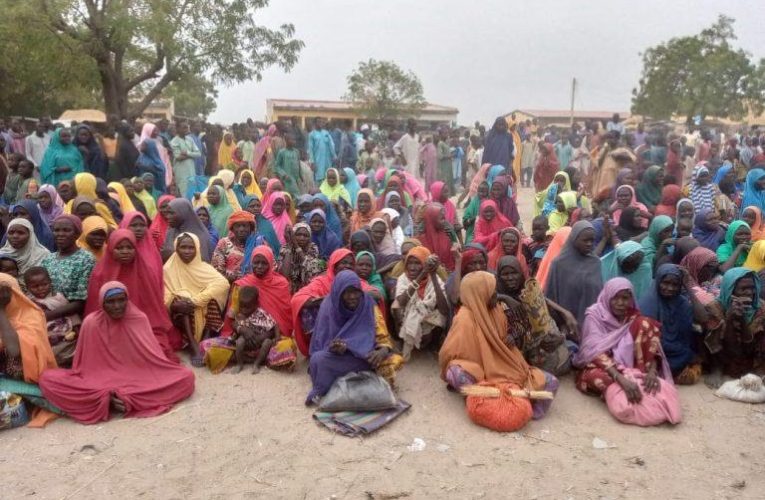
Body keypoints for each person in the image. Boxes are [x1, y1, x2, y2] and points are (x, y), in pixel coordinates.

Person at [39, 281, 194, 425]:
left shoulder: (138, 319)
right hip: (98, 382)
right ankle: (108, 399)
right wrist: (104, 393)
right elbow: (84, 367)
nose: (117, 306)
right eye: (110, 302)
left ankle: (121, 399)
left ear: (127, 300)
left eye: (121, 300)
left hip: (140, 380)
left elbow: (153, 359)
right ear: (102, 303)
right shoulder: (91, 322)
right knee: (47, 379)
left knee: (186, 378)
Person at [439, 271, 557, 420]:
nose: (496, 294)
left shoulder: (497, 310)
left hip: (505, 365)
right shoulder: (463, 319)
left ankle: (525, 410)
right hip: (479, 372)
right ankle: (486, 400)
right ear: (480, 294)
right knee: (455, 373)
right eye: (492, 291)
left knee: (551, 382)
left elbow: (515, 330)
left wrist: (512, 337)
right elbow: (448, 355)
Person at [573, 278, 680, 425]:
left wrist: (652, 371)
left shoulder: (633, 316)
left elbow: (650, 345)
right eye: (615, 298)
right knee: (600, 378)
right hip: (601, 365)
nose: (620, 303)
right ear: (607, 296)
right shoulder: (595, 315)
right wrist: (621, 379)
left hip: (632, 365)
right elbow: (593, 351)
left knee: (645, 324)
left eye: (625, 298)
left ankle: (639, 379)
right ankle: (627, 388)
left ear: (631, 298)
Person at [306, 270, 403, 405]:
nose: (352, 296)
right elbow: (320, 343)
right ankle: (357, 379)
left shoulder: (368, 305)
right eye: (347, 292)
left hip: (366, 356)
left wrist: (382, 351)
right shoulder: (328, 307)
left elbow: (383, 338)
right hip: (339, 358)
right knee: (318, 360)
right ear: (338, 293)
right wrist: (336, 348)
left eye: (356, 291)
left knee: (393, 361)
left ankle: (344, 379)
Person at [86, 229, 182, 362]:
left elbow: (153, 311)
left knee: (154, 350)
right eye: (119, 248)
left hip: (142, 327)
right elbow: (94, 309)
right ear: (110, 249)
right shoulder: (99, 274)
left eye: (129, 247)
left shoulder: (145, 272)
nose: (125, 251)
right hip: (108, 328)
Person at [495, 255, 576, 375]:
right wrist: (505, 298)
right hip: (512, 350)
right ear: (499, 277)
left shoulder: (531, 294)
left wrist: (561, 337)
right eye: (505, 274)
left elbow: (559, 322)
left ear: (521, 273)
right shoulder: (495, 296)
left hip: (540, 352)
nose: (510, 278)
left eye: (514, 273)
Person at [0, 273, 57, 426]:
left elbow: (14, 350)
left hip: (24, 380)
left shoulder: (31, 315)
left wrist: (1, 311)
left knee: (14, 358)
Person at [163, 232, 230, 365]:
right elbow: (164, 292)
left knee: (212, 297)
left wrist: (195, 301)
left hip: (198, 305)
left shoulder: (203, 267)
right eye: (183, 247)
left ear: (197, 248)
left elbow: (223, 283)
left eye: (191, 247)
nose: (187, 251)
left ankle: (205, 338)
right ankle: (193, 346)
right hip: (179, 313)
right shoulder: (168, 269)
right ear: (176, 248)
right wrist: (174, 303)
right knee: (181, 300)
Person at [639, 264, 704, 384]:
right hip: (656, 353)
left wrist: (688, 286)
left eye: (675, 285)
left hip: (679, 352)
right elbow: (649, 340)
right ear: (658, 281)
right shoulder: (648, 303)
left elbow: (704, 318)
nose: (670, 288)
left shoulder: (682, 303)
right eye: (665, 283)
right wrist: (686, 353)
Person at [705, 268, 765, 386]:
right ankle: (717, 369)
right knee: (708, 331)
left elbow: (749, 344)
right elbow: (727, 345)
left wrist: (742, 319)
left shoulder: (761, 308)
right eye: (743, 289)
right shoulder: (715, 307)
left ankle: (759, 368)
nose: (749, 293)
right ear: (730, 290)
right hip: (724, 353)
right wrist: (730, 318)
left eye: (752, 288)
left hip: (749, 352)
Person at [291, 248, 356, 356]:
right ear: (334, 265)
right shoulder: (322, 281)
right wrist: (329, 300)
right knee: (307, 308)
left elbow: (373, 294)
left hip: (348, 326)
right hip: (326, 328)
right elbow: (297, 299)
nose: (348, 266)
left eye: (351, 264)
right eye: (344, 262)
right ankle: (319, 347)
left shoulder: (355, 281)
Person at [393, 246, 448, 360]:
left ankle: (433, 344)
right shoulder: (403, 278)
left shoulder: (435, 278)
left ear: (425, 264)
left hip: (427, 318)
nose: (412, 268)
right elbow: (402, 302)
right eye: (410, 263)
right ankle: (403, 339)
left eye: (418, 263)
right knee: (396, 307)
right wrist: (422, 274)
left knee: (442, 316)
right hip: (408, 317)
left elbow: (444, 309)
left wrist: (432, 275)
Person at [544, 221, 603, 325]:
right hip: (568, 328)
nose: (589, 244)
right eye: (585, 240)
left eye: (592, 240)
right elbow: (547, 299)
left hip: (595, 327)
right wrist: (565, 314)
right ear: (574, 239)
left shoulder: (596, 263)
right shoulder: (559, 265)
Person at [24, 266, 81, 367]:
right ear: (27, 287)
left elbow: (71, 314)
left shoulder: (58, 298)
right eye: (35, 286)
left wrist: (78, 332)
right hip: (44, 336)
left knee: (71, 348)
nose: (41, 289)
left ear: (50, 282)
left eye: (44, 284)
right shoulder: (28, 301)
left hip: (65, 333)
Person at [41, 215, 95, 319]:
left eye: (66, 230)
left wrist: (47, 316)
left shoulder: (86, 259)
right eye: (56, 230)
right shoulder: (48, 259)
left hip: (73, 318)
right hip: (46, 310)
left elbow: (81, 301)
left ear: (77, 234)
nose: (60, 234)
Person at [229, 286, 279, 374]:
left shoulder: (261, 313)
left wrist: (277, 338)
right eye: (242, 307)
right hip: (246, 342)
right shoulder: (239, 315)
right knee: (239, 342)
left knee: (267, 342)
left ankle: (257, 364)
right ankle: (239, 364)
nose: (244, 310)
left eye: (247, 307)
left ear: (256, 304)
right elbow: (234, 325)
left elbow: (275, 324)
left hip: (259, 341)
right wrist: (240, 331)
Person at [211, 210, 262, 283]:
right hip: (228, 285)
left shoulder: (258, 243)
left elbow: (270, 267)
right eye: (238, 226)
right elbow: (216, 269)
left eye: (245, 226)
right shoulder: (224, 243)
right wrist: (228, 277)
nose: (241, 229)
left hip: (254, 286)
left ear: (251, 228)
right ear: (232, 228)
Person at [278, 221, 324, 293]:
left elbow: (310, 267)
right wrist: (290, 245)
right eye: (298, 235)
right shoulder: (285, 248)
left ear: (310, 237)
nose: (302, 238)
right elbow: (285, 275)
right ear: (293, 235)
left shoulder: (313, 248)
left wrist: (296, 245)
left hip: (307, 288)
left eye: (305, 235)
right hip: (289, 288)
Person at [162, 198, 212, 262]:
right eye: (167, 213)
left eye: (172, 213)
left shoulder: (201, 235)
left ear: (183, 213)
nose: (167, 216)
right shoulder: (171, 231)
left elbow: (203, 262)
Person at [170, 122, 201, 198]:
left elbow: (198, 154)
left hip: (191, 171)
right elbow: (178, 157)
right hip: (181, 172)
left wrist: (187, 153)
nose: (186, 129)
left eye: (187, 127)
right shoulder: (174, 141)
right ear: (178, 129)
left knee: (193, 192)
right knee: (183, 192)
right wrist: (192, 155)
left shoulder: (190, 139)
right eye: (184, 127)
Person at [308, 118, 337, 182]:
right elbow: (310, 149)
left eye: (321, 122)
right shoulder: (312, 134)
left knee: (328, 177)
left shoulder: (326, 133)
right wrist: (312, 162)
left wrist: (334, 156)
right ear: (315, 123)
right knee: (319, 179)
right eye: (319, 122)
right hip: (317, 161)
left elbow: (332, 145)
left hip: (327, 160)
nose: (320, 123)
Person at [273, 134, 301, 199]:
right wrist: (283, 175)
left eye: (294, 140)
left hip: (296, 178)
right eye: (291, 140)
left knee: (295, 195)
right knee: (291, 195)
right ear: (286, 140)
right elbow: (277, 166)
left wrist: (300, 176)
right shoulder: (282, 152)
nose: (293, 141)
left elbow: (298, 164)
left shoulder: (296, 152)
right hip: (287, 179)